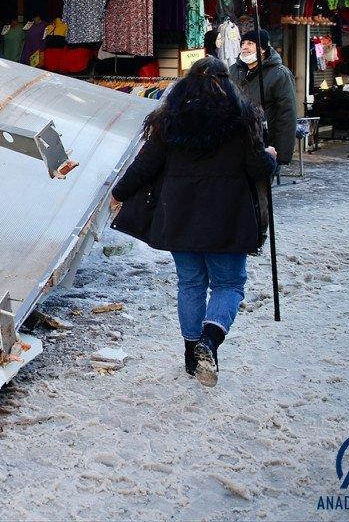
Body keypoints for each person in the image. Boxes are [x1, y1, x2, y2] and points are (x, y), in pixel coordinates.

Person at [110, 57, 276, 387]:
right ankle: (209, 343)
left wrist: (119, 192)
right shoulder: (243, 119)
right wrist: (270, 158)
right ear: (227, 82)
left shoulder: (169, 120)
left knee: (190, 283)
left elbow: (146, 165)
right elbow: (258, 168)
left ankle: (191, 357)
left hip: (179, 216)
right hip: (228, 219)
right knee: (229, 285)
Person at [230, 29, 297, 166]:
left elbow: (286, 114)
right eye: (243, 43)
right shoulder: (233, 71)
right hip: (235, 144)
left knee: (259, 186)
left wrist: (282, 154)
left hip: (263, 144)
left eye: (250, 43)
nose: (244, 47)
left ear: (262, 49)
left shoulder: (280, 74)